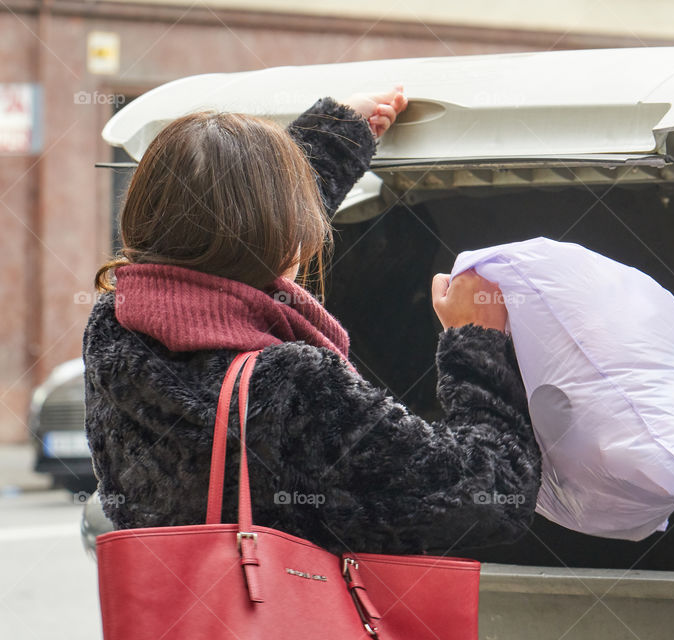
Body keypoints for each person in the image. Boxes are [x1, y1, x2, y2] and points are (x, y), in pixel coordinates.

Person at [82, 88, 542, 555]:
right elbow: (490, 495)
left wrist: (334, 138)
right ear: (290, 238)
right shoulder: (295, 388)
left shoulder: (113, 332)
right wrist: (476, 342)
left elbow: (221, 232)